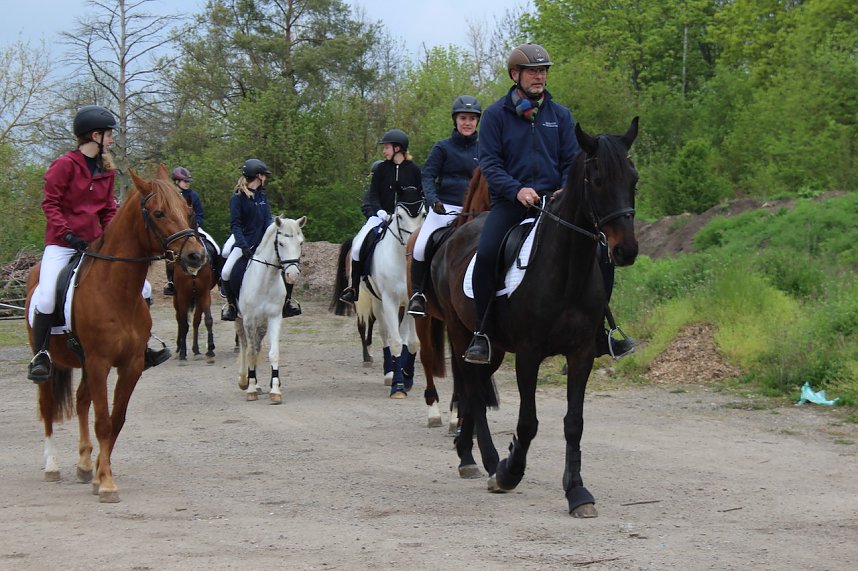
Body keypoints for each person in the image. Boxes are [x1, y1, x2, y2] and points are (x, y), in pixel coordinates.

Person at [464, 43, 634, 364]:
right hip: (511, 204)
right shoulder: (495, 116)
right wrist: (517, 190)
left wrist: (562, 188)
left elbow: (573, 159)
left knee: (601, 252)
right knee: (486, 253)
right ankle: (482, 333)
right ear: (516, 75)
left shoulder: (561, 115)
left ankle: (602, 331)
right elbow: (490, 164)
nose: (539, 77)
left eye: (543, 71)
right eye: (533, 71)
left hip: (555, 205)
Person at [27, 105, 170, 383]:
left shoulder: (106, 169)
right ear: (94, 135)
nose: (111, 139)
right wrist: (68, 235)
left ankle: (142, 342)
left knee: (144, 286)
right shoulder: (65, 165)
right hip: (63, 243)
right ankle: (41, 354)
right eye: (108, 134)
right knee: (45, 297)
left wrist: (111, 236)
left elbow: (107, 210)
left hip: (95, 243)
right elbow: (51, 204)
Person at [407, 95, 481, 317]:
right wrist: (433, 201)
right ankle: (418, 294)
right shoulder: (443, 147)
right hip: (445, 208)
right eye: (463, 118)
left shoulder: (485, 149)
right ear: (455, 120)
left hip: (477, 212)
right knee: (420, 247)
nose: (467, 123)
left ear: (477, 121)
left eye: (471, 118)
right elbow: (427, 176)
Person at [339, 129, 422, 304]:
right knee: (356, 246)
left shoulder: (414, 170)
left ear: (398, 148)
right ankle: (353, 288)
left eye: (387, 147)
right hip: (381, 215)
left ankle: (423, 288)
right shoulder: (381, 169)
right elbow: (374, 194)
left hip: (406, 218)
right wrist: (379, 211)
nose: (384, 151)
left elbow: (419, 194)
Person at [220, 159, 301, 321]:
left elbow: (267, 221)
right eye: (264, 175)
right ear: (258, 176)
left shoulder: (262, 195)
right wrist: (243, 246)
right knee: (226, 272)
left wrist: (273, 234)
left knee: (287, 265)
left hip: (262, 242)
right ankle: (231, 306)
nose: (265, 178)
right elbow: (235, 225)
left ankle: (287, 303)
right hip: (244, 240)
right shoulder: (237, 198)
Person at [163, 166, 204, 296]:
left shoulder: (193, 196)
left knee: (216, 248)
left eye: (188, 181)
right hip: (177, 231)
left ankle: (218, 277)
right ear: (176, 181)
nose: (188, 184)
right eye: (185, 181)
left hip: (193, 228)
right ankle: (171, 281)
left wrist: (195, 226)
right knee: (169, 253)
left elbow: (200, 215)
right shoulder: (170, 197)